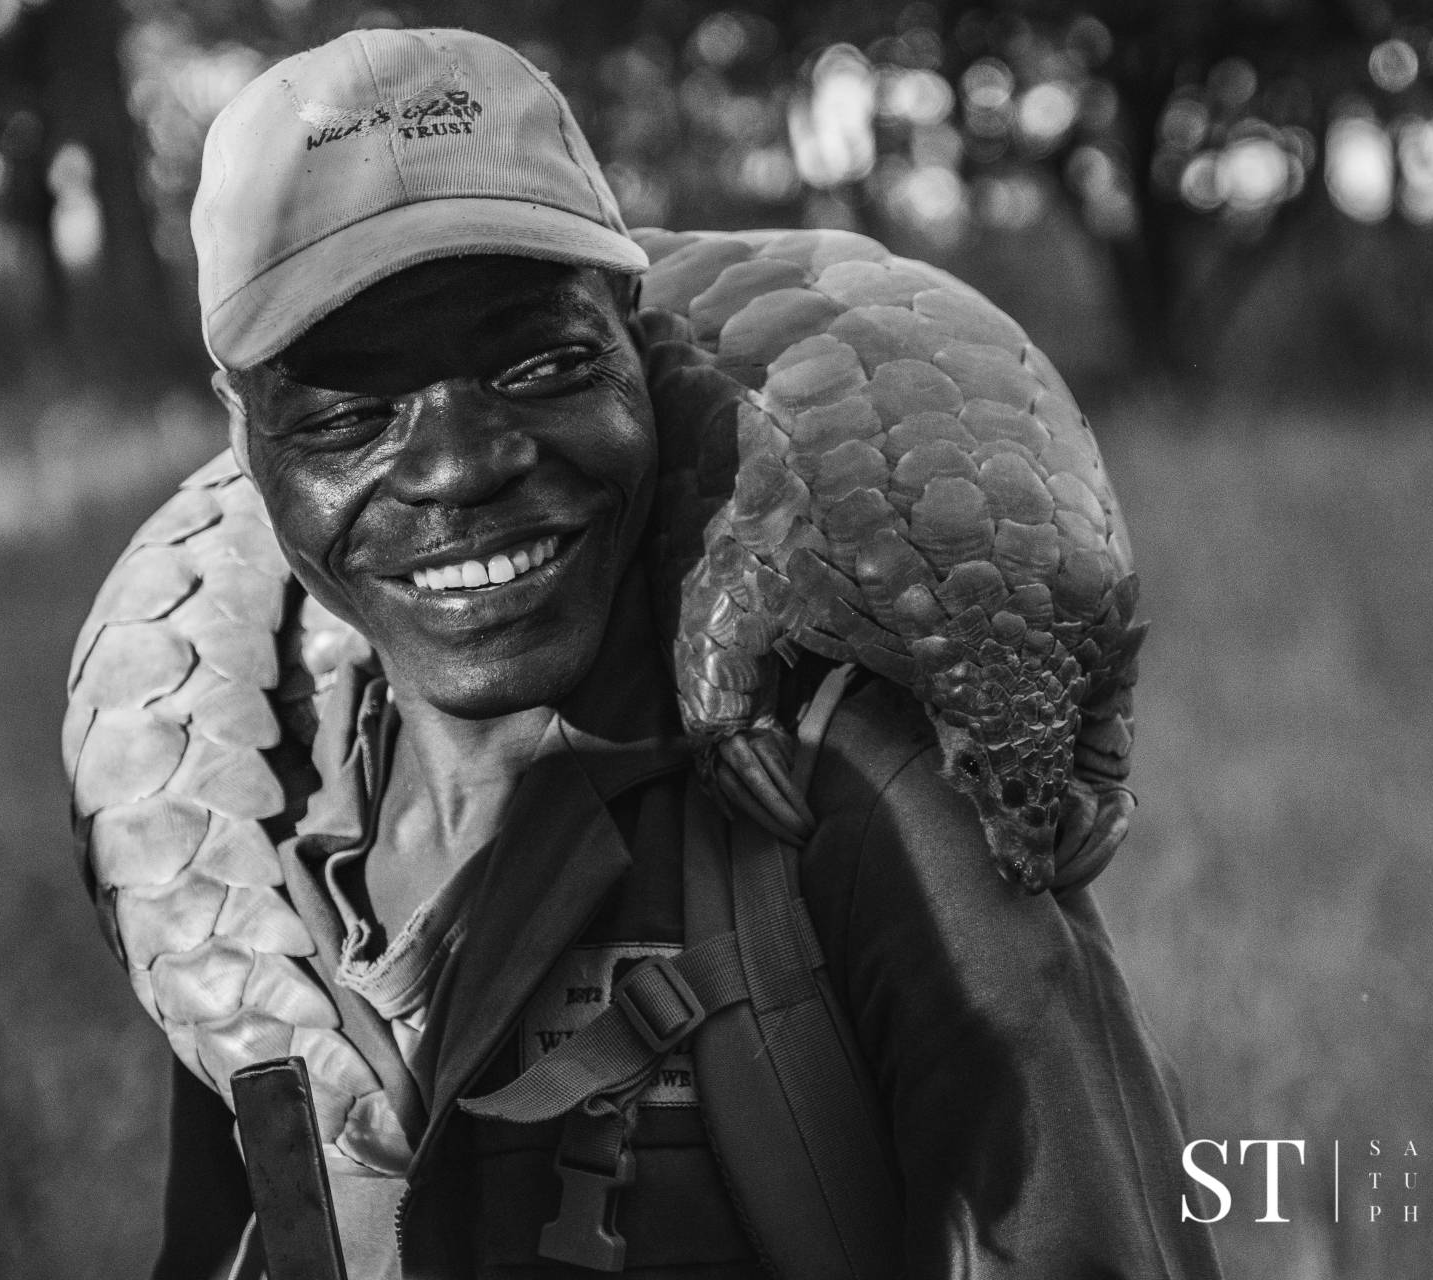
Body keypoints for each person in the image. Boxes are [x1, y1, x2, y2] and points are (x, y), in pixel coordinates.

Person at [159, 25, 1224, 1280]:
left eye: (545, 362)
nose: (462, 464)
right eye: (345, 414)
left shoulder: (862, 801)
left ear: (632, 326)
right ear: (243, 430)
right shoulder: (257, 829)